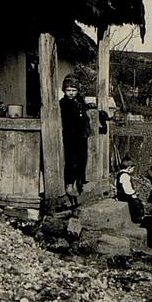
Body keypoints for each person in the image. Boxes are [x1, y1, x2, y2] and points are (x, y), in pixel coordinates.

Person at [60, 75, 96, 210]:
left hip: (81, 136)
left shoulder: (80, 102)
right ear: (64, 90)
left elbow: (84, 117)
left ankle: (78, 183)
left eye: (74, 90)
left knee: (82, 160)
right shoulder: (63, 103)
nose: (71, 93)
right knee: (71, 161)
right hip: (70, 136)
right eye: (68, 90)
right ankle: (69, 184)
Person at [115, 157, 145, 223]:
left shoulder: (119, 174)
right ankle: (138, 218)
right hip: (124, 196)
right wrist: (133, 193)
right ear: (129, 168)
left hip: (120, 194)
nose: (133, 170)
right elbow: (127, 189)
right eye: (133, 169)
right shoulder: (125, 176)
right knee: (137, 202)